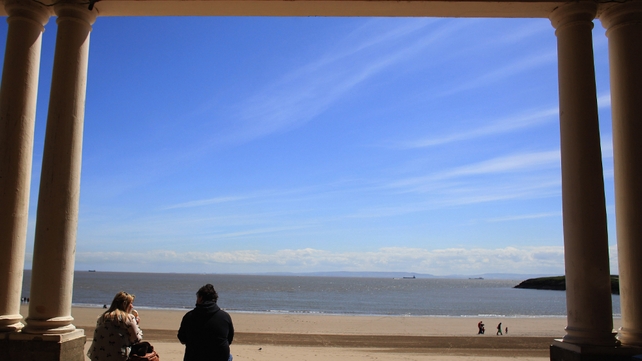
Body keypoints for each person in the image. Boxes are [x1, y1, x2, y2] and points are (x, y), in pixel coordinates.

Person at [178, 284, 235, 361]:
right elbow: (229, 339)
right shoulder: (224, 317)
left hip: (194, 357)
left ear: (200, 298)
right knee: (229, 356)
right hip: (219, 358)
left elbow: (182, 338)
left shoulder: (189, 316)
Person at [88, 291, 143, 361]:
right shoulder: (128, 318)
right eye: (131, 303)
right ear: (125, 304)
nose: (132, 306)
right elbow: (136, 339)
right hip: (118, 357)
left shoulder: (103, 317)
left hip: (97, 356)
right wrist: (137, 324)